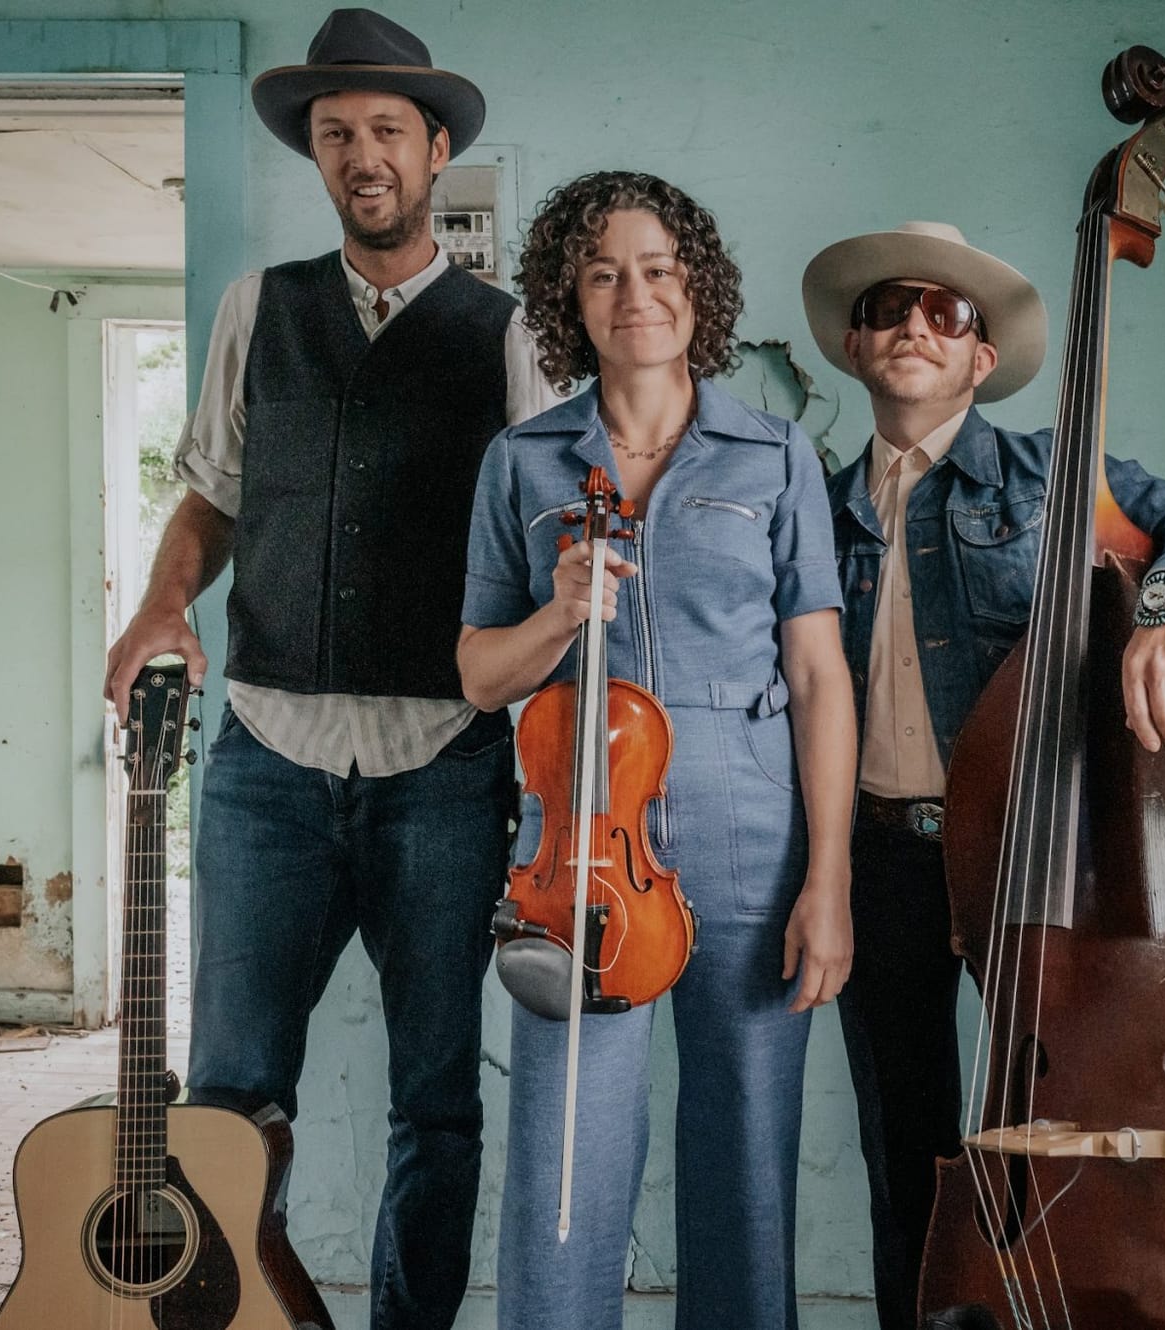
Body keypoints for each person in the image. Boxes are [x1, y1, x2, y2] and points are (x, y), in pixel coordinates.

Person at [100, 10, 558, 1328]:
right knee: (228, 1090)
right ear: (317, 152)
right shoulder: (263, 307)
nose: (362, 154)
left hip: (443, 765)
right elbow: (211, 499)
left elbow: (540, 536)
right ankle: (226, 1311)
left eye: (386, 132)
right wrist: (155, 610)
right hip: (267, 762)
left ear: (435, 150)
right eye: (336, 132)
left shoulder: (510, 332)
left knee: (436, 1100)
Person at [800, 221, 1165, 1330]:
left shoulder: (1052, 473)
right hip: (873, 858)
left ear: (978, 358)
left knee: (1074, 1130)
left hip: (1026, 856)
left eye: (944, 312)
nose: (913, 323)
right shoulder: (809, 508)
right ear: (858, 349)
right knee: (904, 1148)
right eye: (886, 309)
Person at [457, 171, 857, 1330]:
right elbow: (480, 675)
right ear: (567, 303)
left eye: (657, 269)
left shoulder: (774, 458)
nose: (633, 294)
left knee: (744, 1164)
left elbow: (818, 675)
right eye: (601, 273)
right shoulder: (522, 464)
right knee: (562, 1175)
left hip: (746, 835)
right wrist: (554, 613)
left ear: (695, 290)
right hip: (573, 853)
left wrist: (825, 880)